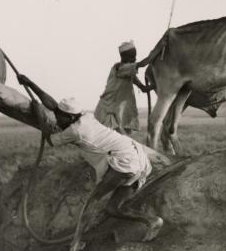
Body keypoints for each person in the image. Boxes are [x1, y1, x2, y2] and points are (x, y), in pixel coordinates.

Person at [16, 74, 163, 250]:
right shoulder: (84, 116)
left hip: (124, 161)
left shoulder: (77, 131)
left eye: (61, 117)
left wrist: (39, 114)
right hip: (136, 157)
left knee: (92, 203)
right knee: (112, 208)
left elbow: (50, 139)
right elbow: (55, 106)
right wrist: (30, 84)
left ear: (70, 118)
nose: (58, 119)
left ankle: (76, 243)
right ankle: (152, 221)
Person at [94, 40, 151, 135]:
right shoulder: (119, 68)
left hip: (118, 111)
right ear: (123, 57)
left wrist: (156, 85)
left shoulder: (128, 72)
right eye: (132, 56)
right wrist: (158, 50)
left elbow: (143, 88)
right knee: (115, 140)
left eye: (135, 56)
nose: (135, 59)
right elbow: (142, 64)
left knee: (120, 140)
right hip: (107, 110)